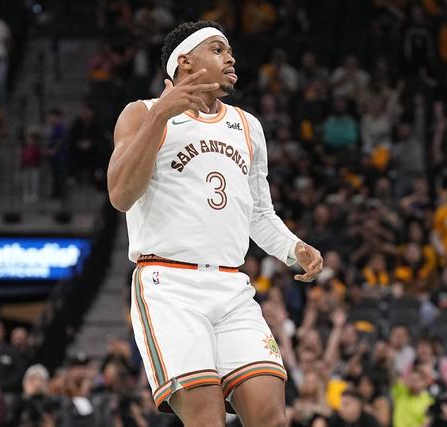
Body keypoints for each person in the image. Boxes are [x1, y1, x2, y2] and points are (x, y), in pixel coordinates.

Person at [107, 20, 323, 426]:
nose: (231, 58)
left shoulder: (248, 125)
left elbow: (258, 213)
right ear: (185, 62)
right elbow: (120, 194)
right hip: (170, 286)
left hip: (231, 285)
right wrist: (161, 116)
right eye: (218, 50)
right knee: (207, 420)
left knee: (272, 419)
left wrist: (292, 247)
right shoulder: (142, 113)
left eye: (230, 51)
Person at [312, 390, 381, 427]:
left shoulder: (369, 420)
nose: (342, 408)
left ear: (358, 405)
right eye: (341, 404)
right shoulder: (336, 419)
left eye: (346, 404)